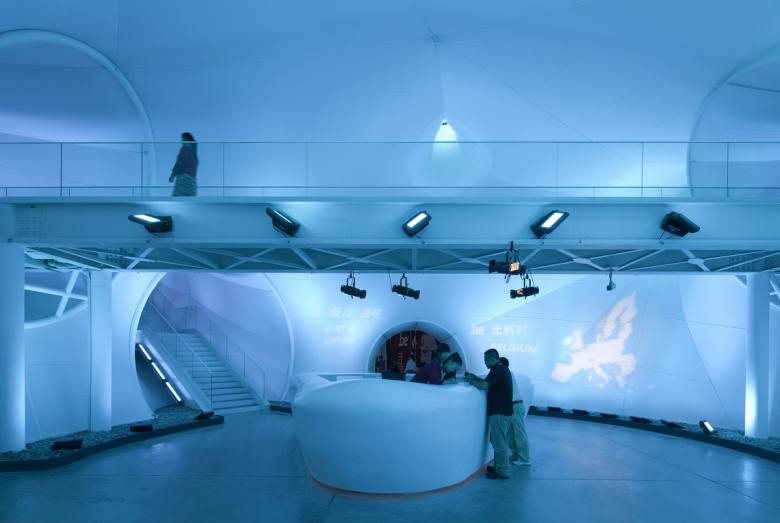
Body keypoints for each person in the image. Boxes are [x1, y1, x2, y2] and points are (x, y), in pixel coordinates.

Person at [465, 349, 513, 479]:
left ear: (492, 359)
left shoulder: (497, 370)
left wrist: (471, 381)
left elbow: (483, 385)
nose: (485, 362)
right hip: (504, 411)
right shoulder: (501, 369)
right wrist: (474, 377)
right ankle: (499, 467)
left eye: (486, 360)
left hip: (499, 412)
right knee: (497, 440)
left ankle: (502, 471)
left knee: (499, 442)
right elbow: (488, 382)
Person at [500, 357, 531, 466]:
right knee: (511, 434)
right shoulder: (507, 373)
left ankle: (525, 459)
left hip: (515, 406)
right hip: (512, 406)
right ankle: (516, 456)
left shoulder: (507, 373)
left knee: (519, 433)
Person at [169, 132, 198, 196]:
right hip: (192, 180)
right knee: (189, 200)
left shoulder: (185, 148)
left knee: (178, 199)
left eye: (182, 139)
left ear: (186, 139)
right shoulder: (194, 151)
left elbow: (179, 163)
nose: (182, 142)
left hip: (183, 178)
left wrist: (173, 175)